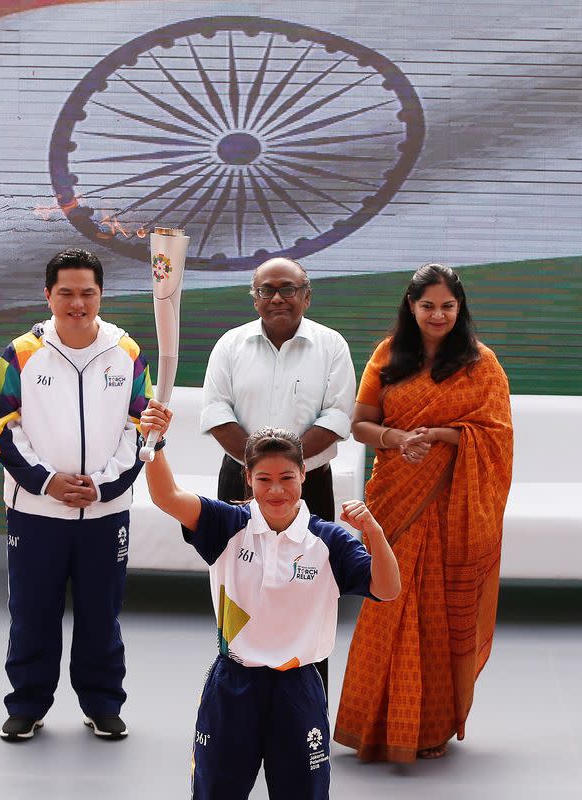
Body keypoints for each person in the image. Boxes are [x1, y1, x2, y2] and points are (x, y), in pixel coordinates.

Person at [141, 403, 400, 799]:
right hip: (233, 687)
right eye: (264, 479)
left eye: (287, 477)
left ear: (303, 476)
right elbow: (166, 496)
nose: (276, 490)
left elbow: (387, 589)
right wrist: (155, 442)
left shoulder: (330, 540)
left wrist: (374, 532)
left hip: (298, 689)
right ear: (247, 479)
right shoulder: (226, 523)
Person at [334, 263, 513, 762]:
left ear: (460, 309)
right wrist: (397, 439)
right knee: (386, 603)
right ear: (411, 307)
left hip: (449, 504)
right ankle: (371, 724)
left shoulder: (481, 364)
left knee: (434, 612)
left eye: (448, 306)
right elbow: (361, 424)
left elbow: (496, 436)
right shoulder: (389, 354)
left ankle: (427, 726)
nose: (438, 315)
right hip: (396, 498)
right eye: (428, 305)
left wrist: (437, 436)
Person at [0, 248, 152, 741]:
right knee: (32, 611)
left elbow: (139, 427)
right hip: (35, 510)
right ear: (48, 295)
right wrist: (45, 481)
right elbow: (1, 426)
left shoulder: (127, 352)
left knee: (102, 612)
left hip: (105, 513)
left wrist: (102, 485)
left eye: (87, 293)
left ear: (101, 294)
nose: (77, 303)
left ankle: (102, 703)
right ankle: (28, 704)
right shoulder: (19, 354)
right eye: (66, 293)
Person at [200, 256, 356, 694]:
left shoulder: (331, 346)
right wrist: (259, 473)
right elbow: (216, 412)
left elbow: (338, 416)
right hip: (239, 484)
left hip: (309, 488)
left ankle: (309, 708)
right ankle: (237, 702)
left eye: (288, 289)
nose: (277, 298)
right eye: (266, 290)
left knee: (309, 596)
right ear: (254, 299)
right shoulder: (231, 344)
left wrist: (284, 474)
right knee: (239, 596)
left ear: (307, 295)